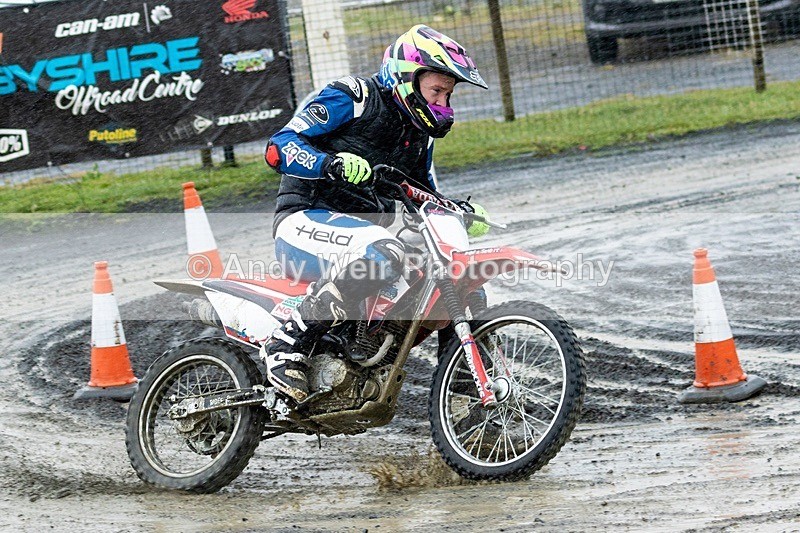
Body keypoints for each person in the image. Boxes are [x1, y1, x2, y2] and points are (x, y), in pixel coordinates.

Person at [262, 24, 489, 402]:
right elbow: (279, 146)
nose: (443, 105)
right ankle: (288, 340)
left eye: (448, 95)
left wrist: (461, 211)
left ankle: (465, 395)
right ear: (407, 78)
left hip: (363, 239)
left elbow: (425, 196)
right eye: (436, 92)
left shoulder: (418, 135)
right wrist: (330, 164)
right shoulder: (355, 97)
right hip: (303, 221)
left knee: (459, 273)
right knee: (385, 252)